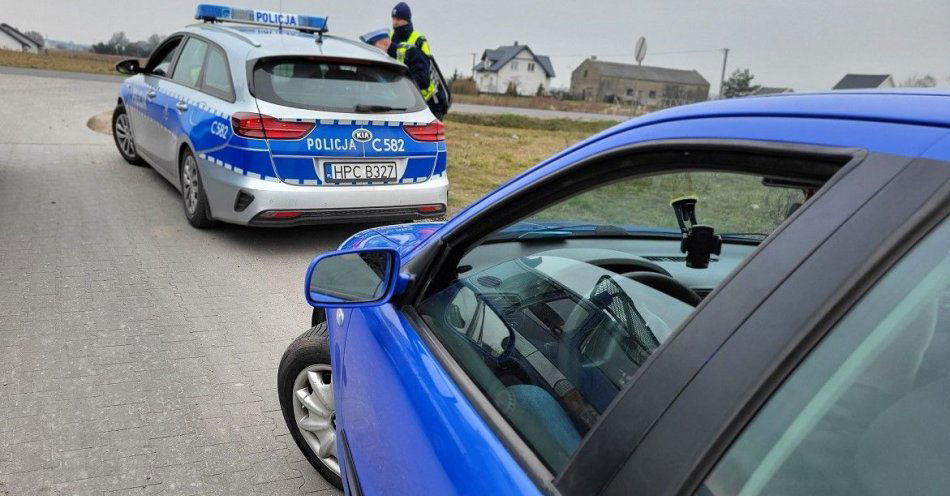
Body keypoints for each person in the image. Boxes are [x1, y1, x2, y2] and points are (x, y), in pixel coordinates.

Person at [360, 28, 448, 119]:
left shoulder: (410, 53)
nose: (371, 51)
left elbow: (423, 80)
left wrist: (399, 87)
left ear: (385, 44)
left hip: (430, 106)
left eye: (372, 47)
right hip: (408, 107)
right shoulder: (383, 60)